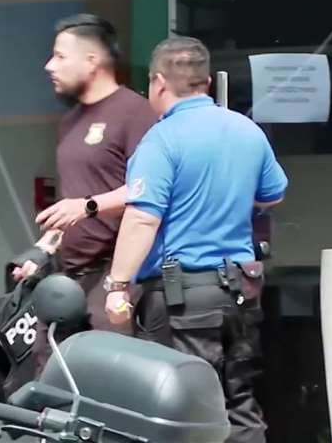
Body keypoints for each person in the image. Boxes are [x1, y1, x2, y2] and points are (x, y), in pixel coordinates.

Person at [104, 36, 288, 443]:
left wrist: (117, 286)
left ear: (158, 82)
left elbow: (142, 217)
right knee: (239, 404)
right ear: (205, 82)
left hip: (181, 298)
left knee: (181, 411)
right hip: (239, 292)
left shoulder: (162, 139)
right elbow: (273, 194)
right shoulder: (246, 130)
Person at [12, 13, 157, 373]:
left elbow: (150, 190)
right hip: (68, 277)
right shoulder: (70, 121)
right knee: (50, 373)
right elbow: (72, 202)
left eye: (60, 56)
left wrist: (88, 207)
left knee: (108, 380)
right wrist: (43, 251)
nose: (49, 66)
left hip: (115, 278)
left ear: (92, 61)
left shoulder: (136, 113)